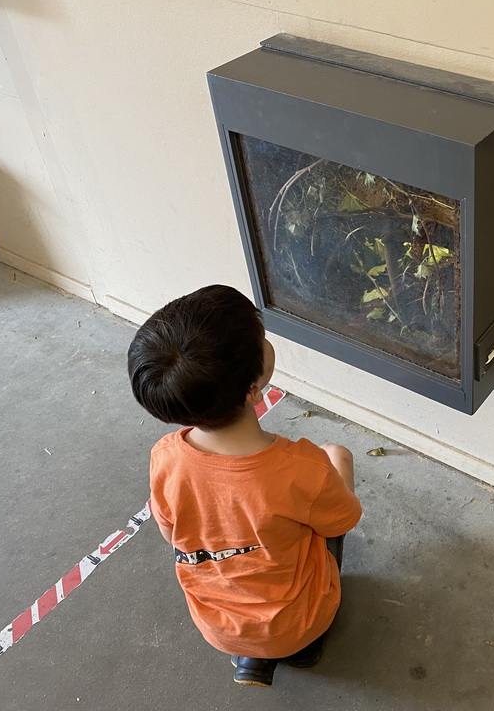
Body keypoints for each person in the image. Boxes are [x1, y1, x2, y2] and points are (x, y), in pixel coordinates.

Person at [127, 284, 362, 687]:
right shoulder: (302, 466)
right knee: (337, 456)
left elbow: (170, 533)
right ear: (254, 389)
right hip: (296, 621)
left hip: (219, 625)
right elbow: (345, 519)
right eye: (262, 340)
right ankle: (303, 649)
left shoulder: (164, 458)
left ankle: (251, 655)